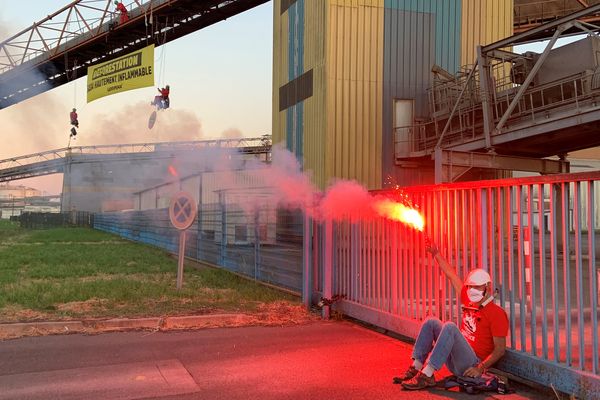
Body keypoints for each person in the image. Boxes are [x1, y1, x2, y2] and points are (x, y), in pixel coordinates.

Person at [397, 238, 509, 391]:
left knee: (449, 326)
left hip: (471, 363)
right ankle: (416, 367)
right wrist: (436, 253)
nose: (472, 290)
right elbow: (450, 274)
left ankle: (427, 375)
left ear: (487, 287)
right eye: (470, 286)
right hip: (454, 357)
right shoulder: (469, 298)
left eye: (476, 287)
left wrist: (480, 368)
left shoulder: (497, 314)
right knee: (431, 321)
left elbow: (500, 349)